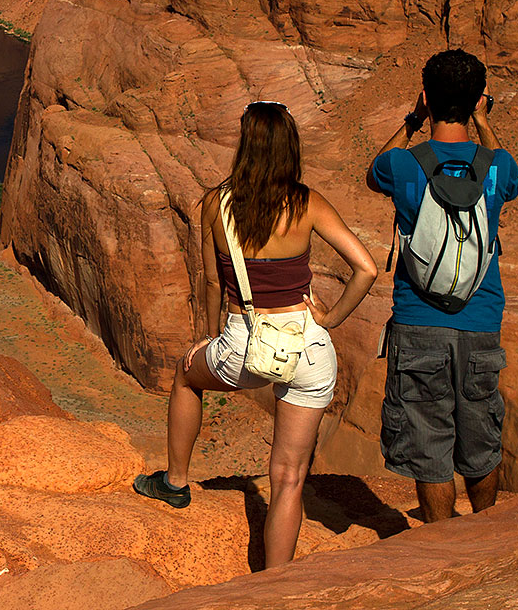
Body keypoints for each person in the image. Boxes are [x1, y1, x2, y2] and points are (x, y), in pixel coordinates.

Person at [134, 101, 379, 570]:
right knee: (288, 479)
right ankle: (274, 585)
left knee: (185, 376)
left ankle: (175, 482)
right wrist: (330, 319)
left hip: (244, 347)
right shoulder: (307, 203)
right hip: (308, 348)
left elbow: (211, 282)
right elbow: (366, 268)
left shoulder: (216, 204)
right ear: (290, 148)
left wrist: (208, 339)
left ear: (245, 146)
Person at [367, 48, 518, 522]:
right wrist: (483, 121)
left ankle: (442, 543)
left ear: (427, 97)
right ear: (476, 101)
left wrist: (414, 119)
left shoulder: (403, 166)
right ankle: (484, 540)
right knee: (481, 443)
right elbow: (509, 178)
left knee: (429, 445)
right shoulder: (498, 167)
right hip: (481, 322)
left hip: (419, 324)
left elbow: (374, 170)